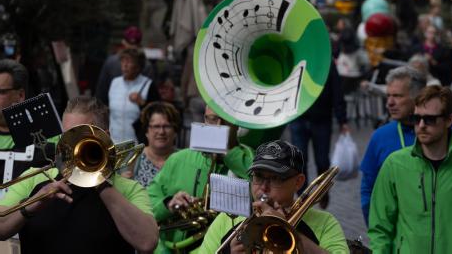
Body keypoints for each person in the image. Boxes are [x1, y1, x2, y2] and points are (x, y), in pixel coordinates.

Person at [0, 96, 158, 253]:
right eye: (67, 136)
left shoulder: (129, 188)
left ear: (104, 136)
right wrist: (33, 203)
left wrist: (100, 182)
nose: (71, 145)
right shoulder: (36, 177)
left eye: (81, 135)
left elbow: (147, 242)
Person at [368, 86, 452, 253]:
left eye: (430, 119)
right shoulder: (394, 164)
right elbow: (380, 228)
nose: (421, 125)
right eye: (416, 118)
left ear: (449, 120)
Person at [198, 139, 349, 253]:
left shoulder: (325, 223)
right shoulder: (227, 219)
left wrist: (289, 232)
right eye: (258, 177)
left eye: (275, 178)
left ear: (298, 182)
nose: (264, 187)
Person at [359, 66, 452, 224]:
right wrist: (375, 229)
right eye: (388, 95)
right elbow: (368, 189)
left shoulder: (451, 133)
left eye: (397, 96)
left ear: (418, 96)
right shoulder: (380, 136)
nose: (389, 102)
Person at [147, 106, 254, 253]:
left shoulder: (250, 161)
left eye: (225, 120)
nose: (217, 126)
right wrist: (168, 204)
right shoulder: (178, 159)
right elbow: (147, 205)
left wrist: (229, 154)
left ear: (237, 125)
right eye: (211, 119)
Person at [289, 64, 349, 206]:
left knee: (322, 160)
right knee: (299, 160)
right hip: (299, 117)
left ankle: (323, 191)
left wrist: (342, 120)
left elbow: (336, 89)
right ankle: (302, 199)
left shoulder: (327, 62)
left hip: (321, 119)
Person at [122, 101, 181, 187]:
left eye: (167, 126)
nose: (161, 132)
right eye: (156, 126)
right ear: (146, 131)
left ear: (175, 131)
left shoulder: (183, 159)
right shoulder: (132, 159)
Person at [108, 48, 160, 143]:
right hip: (114, 143)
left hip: (137, 144)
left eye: (129, 61)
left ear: (138, 66)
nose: (125, 65)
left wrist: (142, 102)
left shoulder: (148, 84)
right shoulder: (115, 83)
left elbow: (157, 114)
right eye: (123, 61)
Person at [95, 26, 155, 105]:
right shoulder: (111, 64)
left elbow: (151, 95)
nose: (125, 66)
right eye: (123, 62)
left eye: (130, 63)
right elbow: (102, 92)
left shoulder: (146, 65)